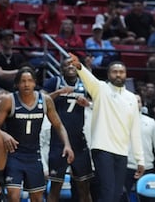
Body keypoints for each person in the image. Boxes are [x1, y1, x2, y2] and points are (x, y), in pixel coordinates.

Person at [68, 55, 144, 202]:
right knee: (107, 192)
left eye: (121, 72)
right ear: (108, 74)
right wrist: (80, 67)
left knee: (116, 194)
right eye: (115, 72)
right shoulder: (101, 88)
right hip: (102, 149)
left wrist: (140, 159)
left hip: (122, 152)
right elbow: (90, 80)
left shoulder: (132, 98)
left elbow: (135, 130)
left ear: (126, 75)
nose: (118, 75)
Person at [0, 68, 74, 202]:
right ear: (17, 84)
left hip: (34, 155)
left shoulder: (45, 100)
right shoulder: (9, 100)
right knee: (13, 196)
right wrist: (3, 134)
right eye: (23, 81)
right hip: (14, 154)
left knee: (37, 198)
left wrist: (67, 145)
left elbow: (59, 125)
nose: (26, 84)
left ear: (35, 83)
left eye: (30, 81)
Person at [42, 59, 94, 202]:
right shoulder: (55, 82)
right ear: (61, 68)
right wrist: (58, 92)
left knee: (84, 187)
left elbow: (97, 103)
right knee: (55, 187)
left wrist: (87, 103)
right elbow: (40, 100)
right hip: (58, 140)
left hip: (78, 139)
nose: (70, 66)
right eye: (66, 64)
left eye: (73, 64)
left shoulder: (85, 83)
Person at [125, 95, 155, 202]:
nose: (135, 103)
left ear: (142, 104)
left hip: (147, 168)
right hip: (126, 167)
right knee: (124, 198)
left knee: (149, 199)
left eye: (138, 101)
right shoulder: (120, 121)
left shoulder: (150, 122)